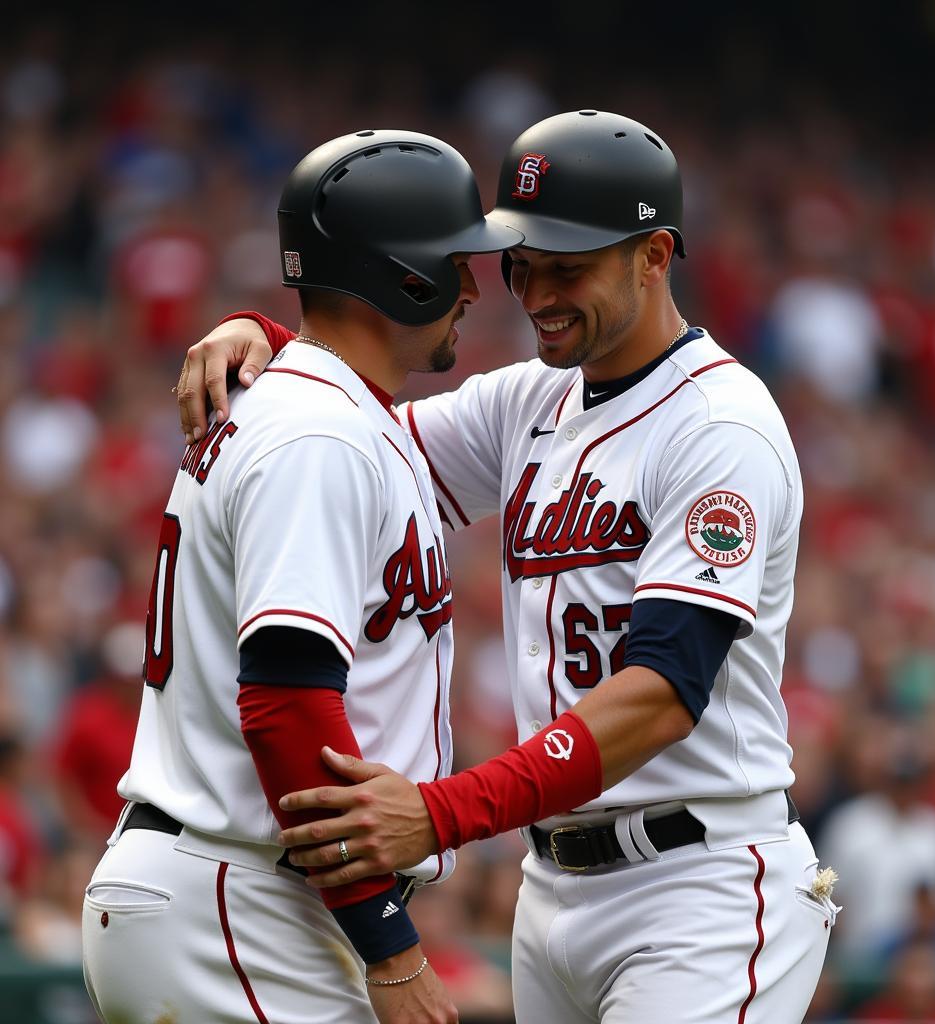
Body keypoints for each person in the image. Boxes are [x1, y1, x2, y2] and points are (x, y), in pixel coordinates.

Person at [179, 110, 837, 1024]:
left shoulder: (720, 425)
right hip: (552, 889)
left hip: (701, 884)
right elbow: (337, 452)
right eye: (521, 265)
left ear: (655, 254)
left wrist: (443, 811)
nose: (536, 294)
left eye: (569, 267)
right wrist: (275, 336)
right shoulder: (531, 399)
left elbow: (662, 691)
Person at [83, 129, 522, 1024]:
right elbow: (285, 703)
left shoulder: (327, 412)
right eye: (457, 262)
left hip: (237, 890)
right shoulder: (319, 436)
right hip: (236, 895)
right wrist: (393, 951)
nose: (473, 287)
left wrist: (268, 326)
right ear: (405, 274)